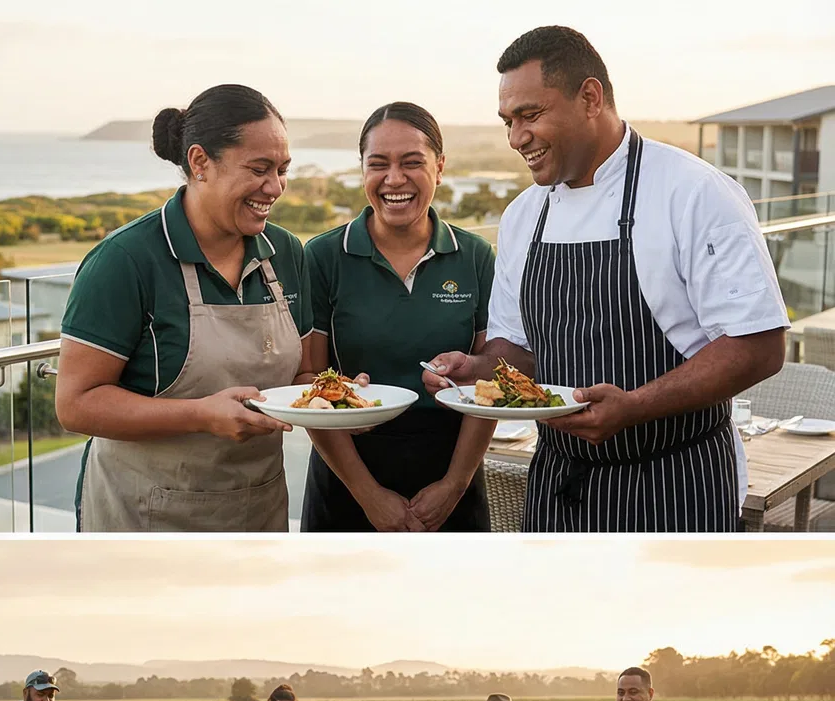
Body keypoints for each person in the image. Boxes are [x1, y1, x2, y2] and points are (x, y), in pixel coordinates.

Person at [423, 25, 788, 531]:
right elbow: (520, 348)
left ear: (590, 97)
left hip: (675, 484)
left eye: (531, 115)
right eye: (508, 121)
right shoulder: (523, 215)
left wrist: (634, 407)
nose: (516, 138)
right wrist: (480, 370)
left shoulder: (694, 192)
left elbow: (759, 346)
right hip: (558, 485)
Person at [56, 83, 311, 531]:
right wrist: (200, 415)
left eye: (282, 170)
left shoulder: (286, 252)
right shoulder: (125, 260)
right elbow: (75, 405)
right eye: (259, 169)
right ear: (199, 163)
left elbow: (300, 376)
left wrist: (340, 399)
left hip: (258, 509)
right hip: (143, 516)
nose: (275, 187)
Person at [301, 102, 496, 532]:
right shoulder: (322, 256)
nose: (394, 179)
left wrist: (454, 485)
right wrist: (368, 495)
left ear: (439, 167)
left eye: (412, 163)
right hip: (345, 477)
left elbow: (489, 386)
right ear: (362, 170)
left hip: (454, 470)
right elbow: (308, 379)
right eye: (378, 164)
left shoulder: (476, 257)